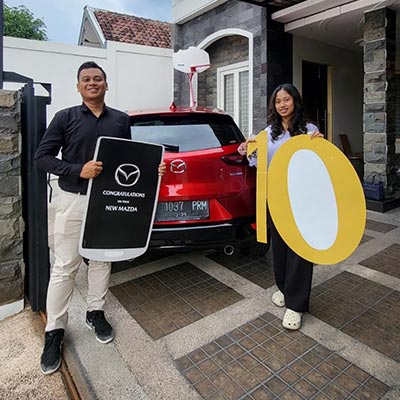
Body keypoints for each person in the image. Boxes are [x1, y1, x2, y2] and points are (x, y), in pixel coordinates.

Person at [35, 61, 166, 375]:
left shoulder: (120, 120)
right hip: (74, 200)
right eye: (86, 79)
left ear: (106, 85)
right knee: (65, 266)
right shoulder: (65, 117)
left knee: (102, 260)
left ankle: (95, 312)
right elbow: (42, 158)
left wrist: (153, 169)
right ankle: (55, 331)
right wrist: (77, 170)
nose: (92, 83)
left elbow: (128, 158)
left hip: (107, 202)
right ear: (78, 86)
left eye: (98, 79)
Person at [238, 83, 323, 331]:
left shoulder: (309, 130)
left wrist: (320, 144)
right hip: (276, 197)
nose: (282, 105)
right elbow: (258, 162)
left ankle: (296, 304)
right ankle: (285, 289)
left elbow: (319, 162)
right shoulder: (269, 133)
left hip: (302, 198)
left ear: (295, 101)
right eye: (278, 101)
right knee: (281, 247)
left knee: (300, 250)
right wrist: (248, 149)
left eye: (286, 99)